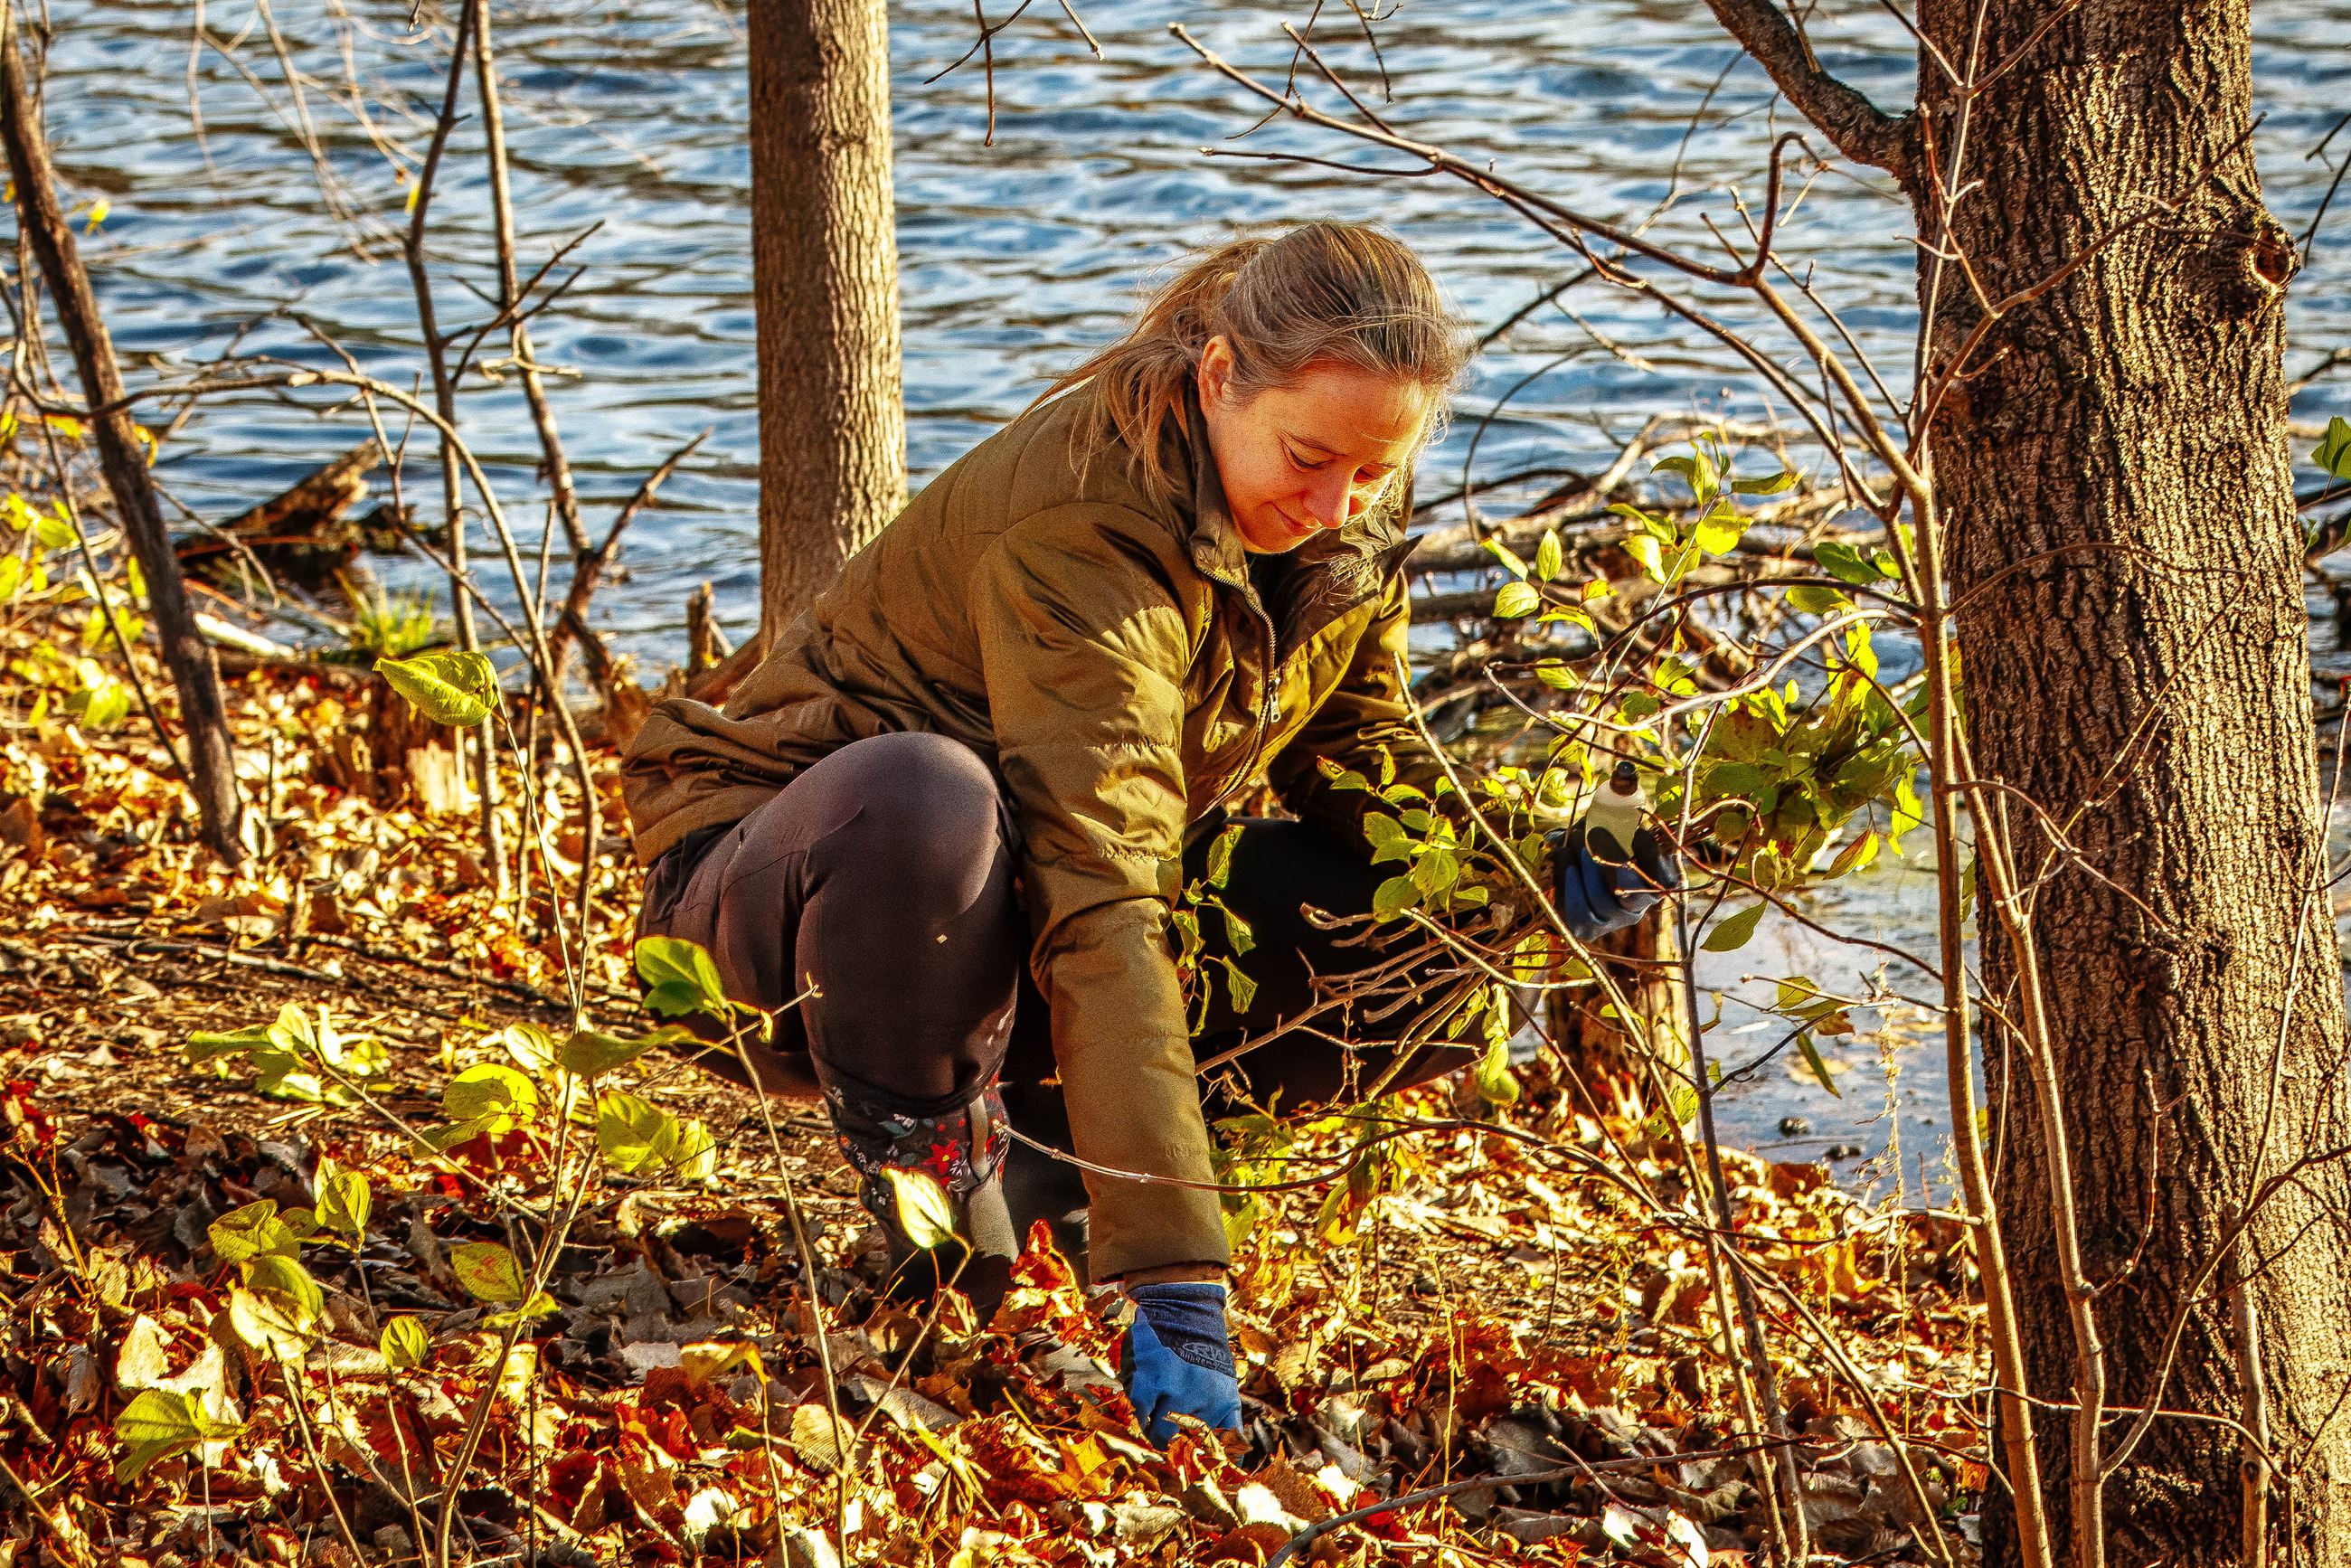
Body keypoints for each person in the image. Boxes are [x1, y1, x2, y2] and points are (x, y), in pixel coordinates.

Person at [620, 222, 1675, 1445]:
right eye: (1309, 457)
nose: (1337, 505)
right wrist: (1178, 1280)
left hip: (1022, 913)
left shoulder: (1334, 498)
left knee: (1431, 944)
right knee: (931, 804)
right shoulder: (1083, 522)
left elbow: (1366, 753)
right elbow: (1101, 887)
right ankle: (946, 1190)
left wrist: (1531, 874)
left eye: (1373, 477)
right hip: (777, 905)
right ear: (1220, 376)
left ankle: (1057, 1164)